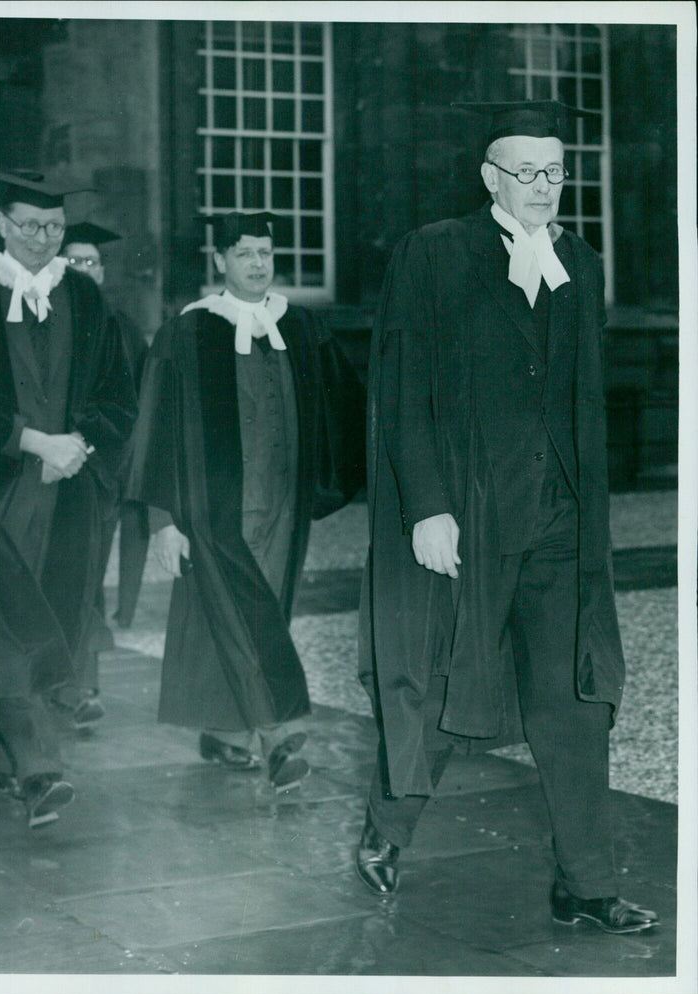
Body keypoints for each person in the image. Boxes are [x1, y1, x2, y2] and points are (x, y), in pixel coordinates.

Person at [355, 101, 659, 934]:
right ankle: (387, 830)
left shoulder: (579, 262)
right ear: (491, 177)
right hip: (471, 513)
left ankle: (586, 883)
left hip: (559, 521)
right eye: (525, 171)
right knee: (450, 681)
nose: (543, 187)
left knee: (573, 701)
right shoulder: (435, 253)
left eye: (555, 171)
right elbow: (403, 388)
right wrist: (428, 507)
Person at [0, 169, 137, 827]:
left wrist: (80, 441)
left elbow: (115, 390)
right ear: (2, 225)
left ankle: (12, 758)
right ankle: (43, 768)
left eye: (55, 227)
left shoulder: (87, 297)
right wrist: (31, 441)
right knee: (3, 625)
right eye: (30, 225)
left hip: (70, 488)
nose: (44, 238)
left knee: (52, 616)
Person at [127, 211, 365, 792]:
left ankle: (226, 732)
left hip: (284, 505)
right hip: (213, 511)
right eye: (244, 254)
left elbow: (348, 404)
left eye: (265, 252)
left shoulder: (302, 327)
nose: (257, 263)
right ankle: (278, 736)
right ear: (221, 262)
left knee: (259, 611)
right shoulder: (187, 333)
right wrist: (162, 519)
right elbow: (153, 428)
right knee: (246, 614)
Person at [55, 221, 151, 726]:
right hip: (48, 470)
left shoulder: (121, 326)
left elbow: (135, 404)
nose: (83, 271)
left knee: (87, 578)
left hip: (101, 475)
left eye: (91, 262)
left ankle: (81, 686)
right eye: (73, 262)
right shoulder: (40, 316)